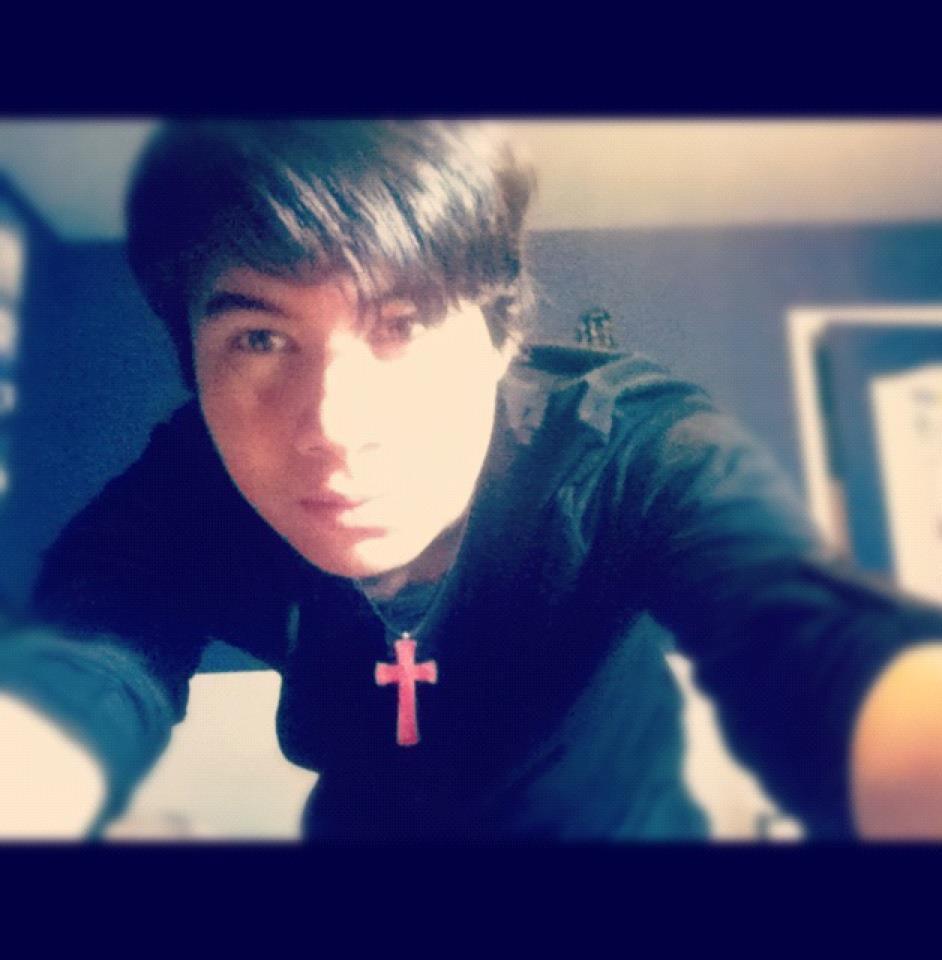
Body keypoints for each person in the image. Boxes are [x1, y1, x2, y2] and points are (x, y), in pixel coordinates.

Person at [3, 118, 942, 840]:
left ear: (502, 339)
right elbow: (86, 662)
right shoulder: (188, 487)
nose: (334, 429)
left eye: (403, 324)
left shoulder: (627, 443)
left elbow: (813, 642)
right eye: (260, 338)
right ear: (193, 363)